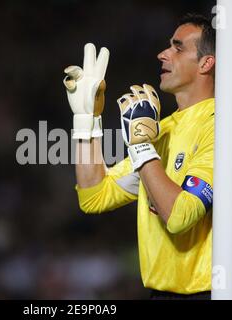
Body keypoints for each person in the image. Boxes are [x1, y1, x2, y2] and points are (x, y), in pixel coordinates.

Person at [63, 14, 216, 299]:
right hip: (159, 293)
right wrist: (86, 120)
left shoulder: (222, 127)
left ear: (206, 63)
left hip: (207, 293)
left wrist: (141, 147)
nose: (163, 53)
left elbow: (180, 216)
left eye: (178, 47)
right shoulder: (163, 130)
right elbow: (94, 195)